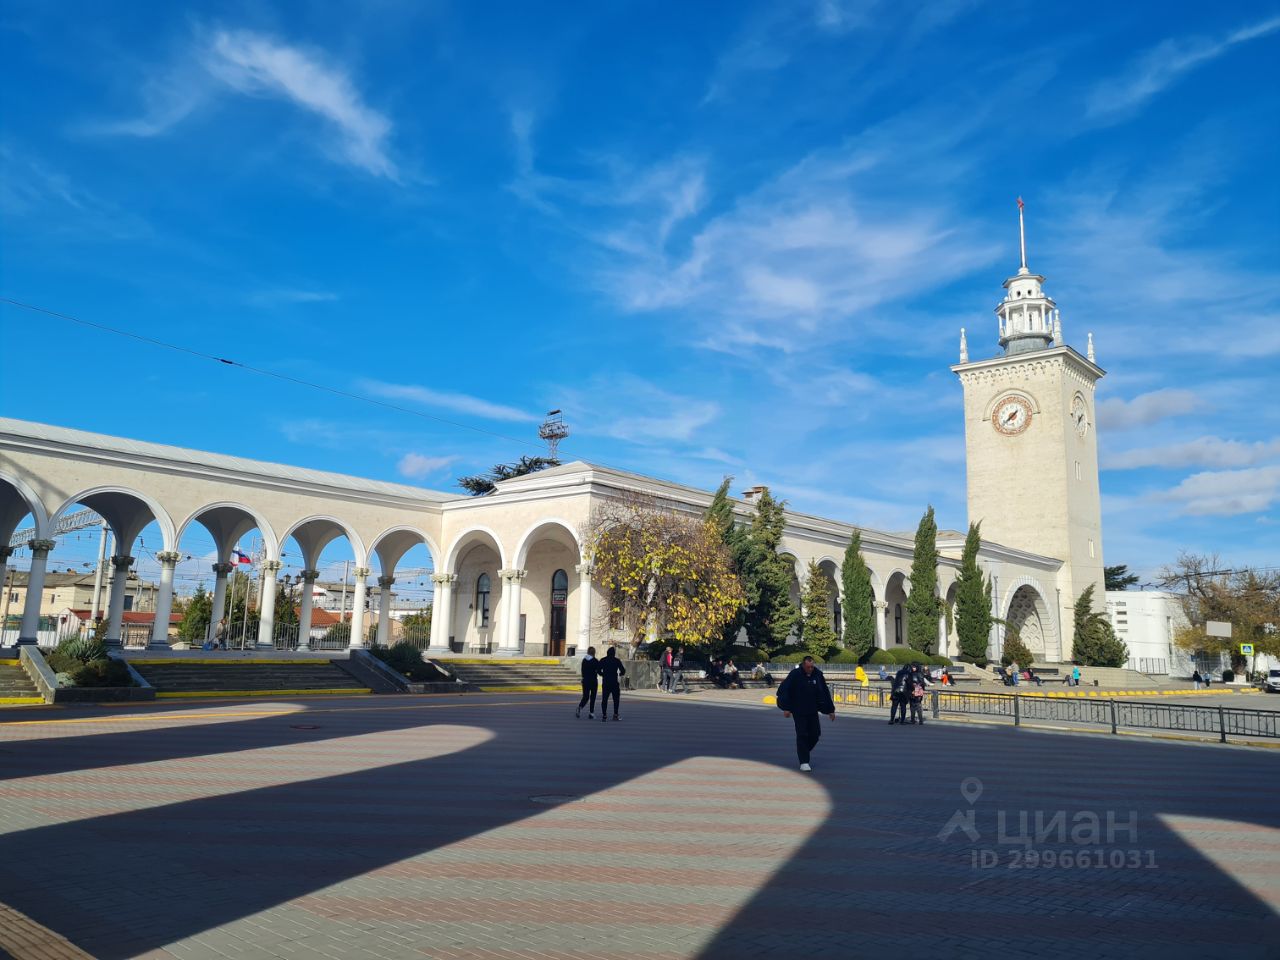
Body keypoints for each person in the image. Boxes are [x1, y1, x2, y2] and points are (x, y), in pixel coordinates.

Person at [776, 655, 835, 771]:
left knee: (815, 734)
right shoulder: (795, 675)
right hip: (798, 710)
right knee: (802, 734)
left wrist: (830, 710)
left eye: (812, 667)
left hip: (812, 710)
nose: (810, 669)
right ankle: (804, 761)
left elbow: (824, 692)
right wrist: (786, 708)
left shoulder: (818, 675)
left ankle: (803, 751)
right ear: (803, 665)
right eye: (808, 667)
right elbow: (784, 690)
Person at [598, 646, 626, 721]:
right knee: (616, 699)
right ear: (614, 654)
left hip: (606, 682)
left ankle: (604, 715)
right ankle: (615, 715)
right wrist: (620, 674)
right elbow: (623, 670)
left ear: (607, 653)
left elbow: (598, 669)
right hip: (614, 682)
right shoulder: (616, 660)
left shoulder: (603, 660)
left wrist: (602, 674)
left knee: (604, 699)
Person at [576, 647, 600, 718]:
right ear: (594, 652)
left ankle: (580, 707)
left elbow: (582, 670)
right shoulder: (595, 661)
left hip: (585, 680)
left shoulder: (584, 660)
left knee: (586, 696)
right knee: (593, 697)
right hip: (593, 681)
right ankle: (591, 713)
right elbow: (598, 670)